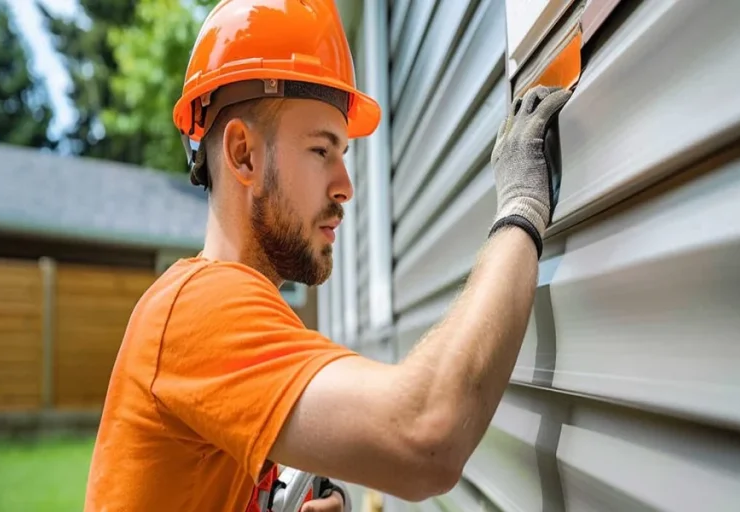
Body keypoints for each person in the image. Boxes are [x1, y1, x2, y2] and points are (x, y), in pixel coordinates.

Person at [83, 0, 572, 510]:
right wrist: (522, 209)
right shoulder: (202, 309)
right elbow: (425, 434)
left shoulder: (216, 308)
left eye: (343, 155)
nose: (345, 187)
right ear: (243, 154)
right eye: (322, 150)